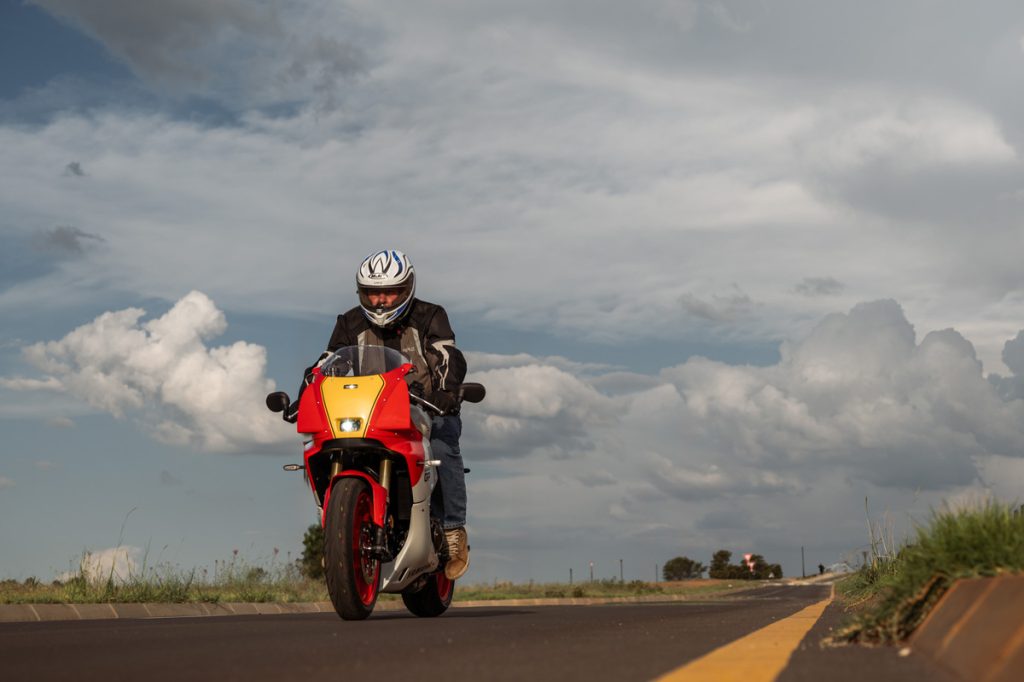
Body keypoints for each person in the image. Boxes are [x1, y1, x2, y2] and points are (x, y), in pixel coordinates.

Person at [303, 249, 470, 580]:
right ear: (361, 292)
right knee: (324, 446)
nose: (380, 300)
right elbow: (328, 362)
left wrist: (446, 391)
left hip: (423, 409)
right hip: (368, 412)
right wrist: (307, 390)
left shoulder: (430, 315)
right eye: (372, 292)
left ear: (406, 288)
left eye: (389, 291)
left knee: (440, 447)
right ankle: (337, 535)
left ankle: (452, 530)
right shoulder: (349, 323)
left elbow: (447, 356)